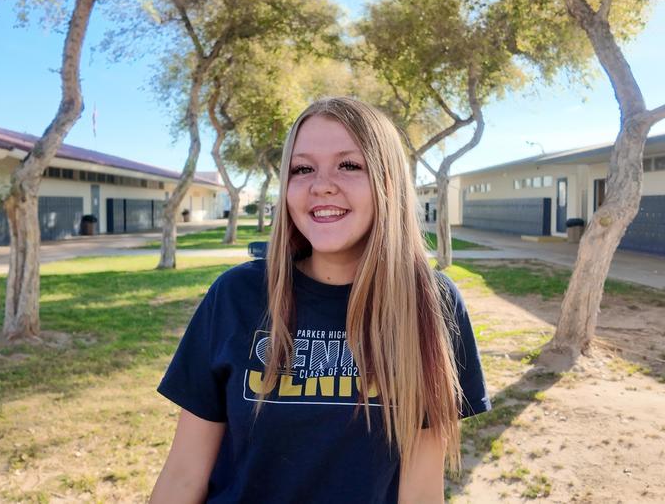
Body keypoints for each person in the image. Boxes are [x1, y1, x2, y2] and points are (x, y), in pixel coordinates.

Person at [149, 97, 490, 503]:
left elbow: (420, 492)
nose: (321, 184)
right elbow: (184, 476)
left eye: (349, 165)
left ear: (388, 182)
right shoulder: (236, 296)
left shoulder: (432, 304)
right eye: (302, 169)